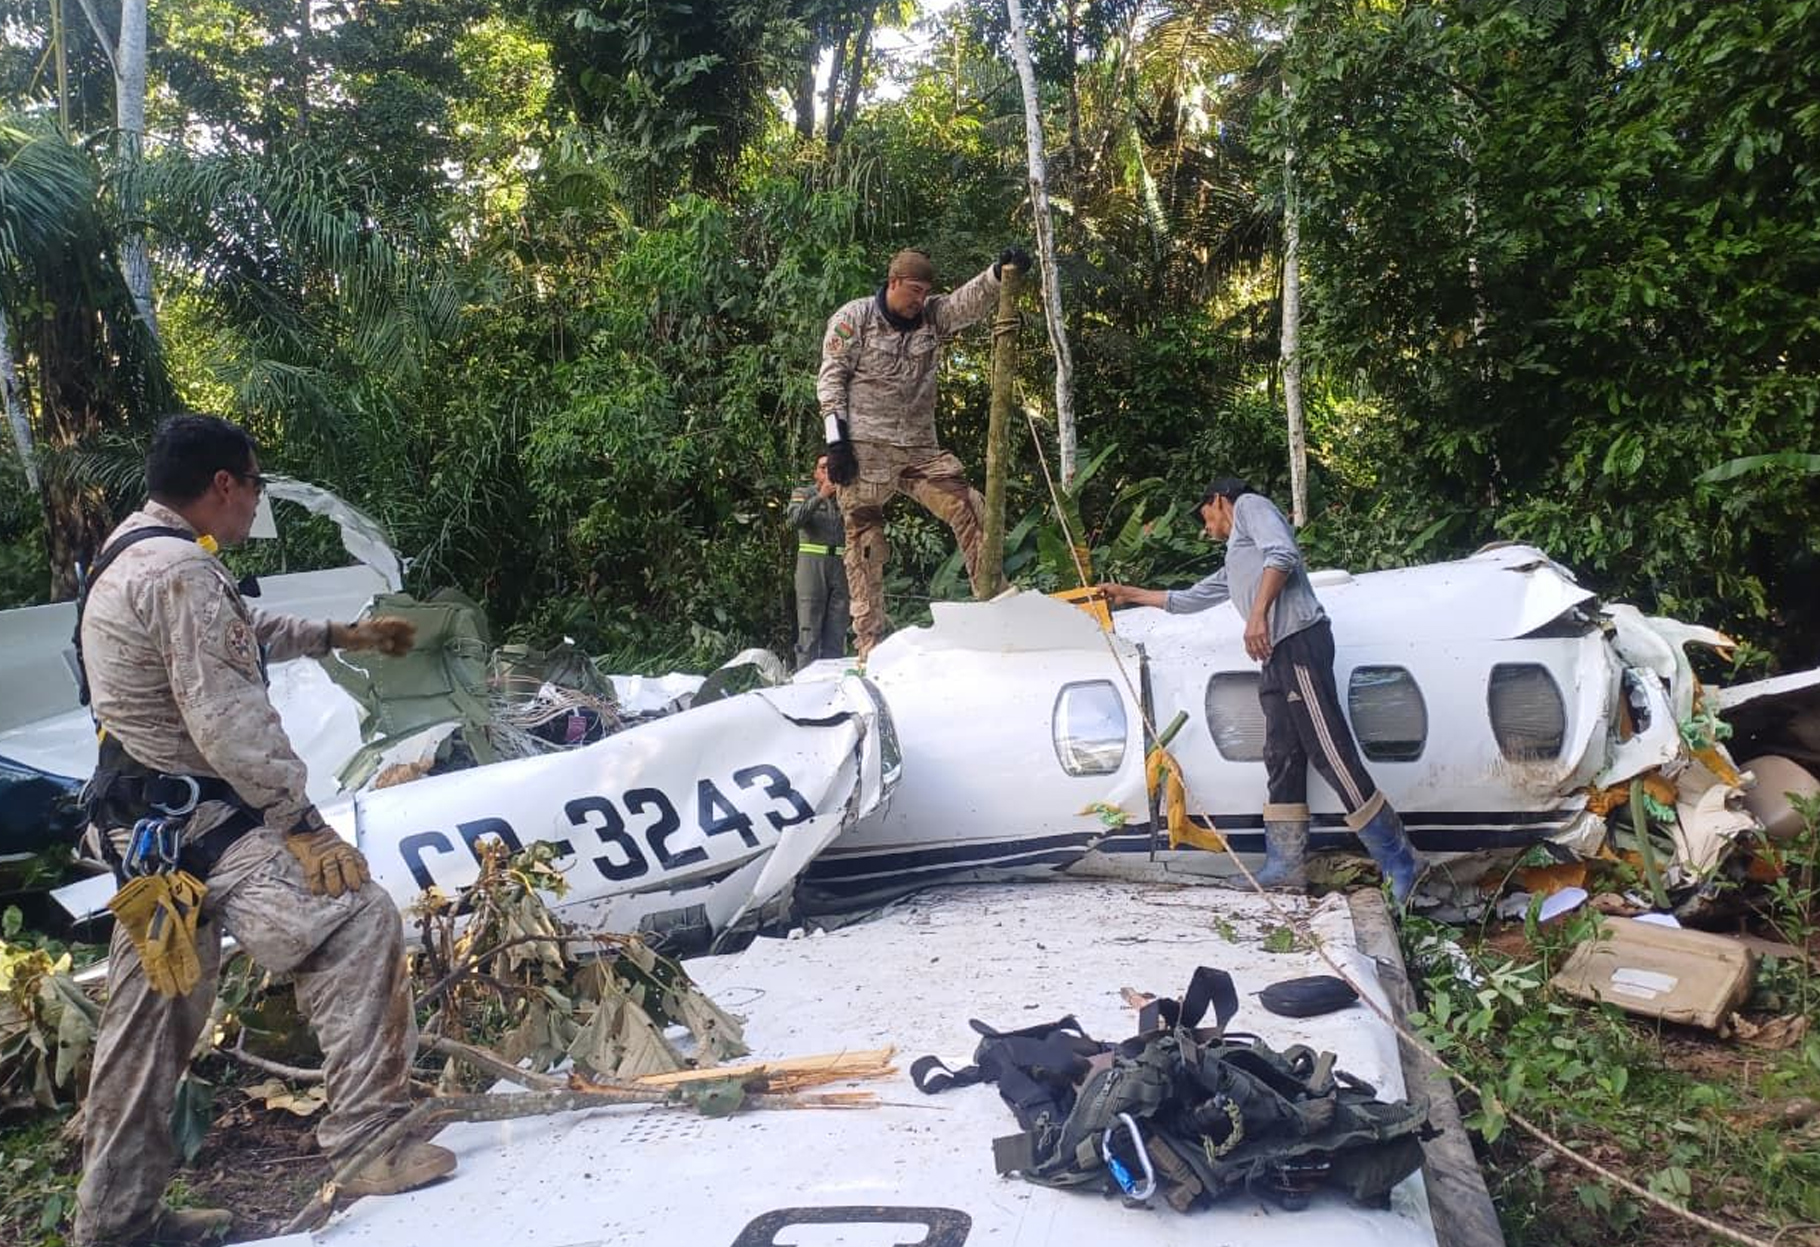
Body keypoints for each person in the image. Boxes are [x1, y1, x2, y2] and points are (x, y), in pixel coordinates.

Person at [72, 414, 454, 1247]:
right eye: (255, 485)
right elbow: (228, 719)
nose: (255, 501)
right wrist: (304, 824)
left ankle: (115, 1222)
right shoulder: (180, 574)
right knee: (357, 920)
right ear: (223, 485)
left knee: (149, 1020)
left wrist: (339, 635)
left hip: (147, 833)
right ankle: (366, 1141)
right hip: (205, 824)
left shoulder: (130, 551)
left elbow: (234, 634)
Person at [1099, 478, 1424, 904]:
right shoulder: (1237, 560)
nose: (1207, 527)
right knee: (1281, 755)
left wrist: (1257, 617)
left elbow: (1283, 554)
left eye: (1207, 516)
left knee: (1329, 751)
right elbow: (1191, 598)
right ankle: (1285, 866)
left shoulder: (1251, 507)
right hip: (1275, 656)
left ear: (1219, 500)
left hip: (1297, 641)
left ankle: (1401, 860)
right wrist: (1128, 594)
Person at [817, 245, 1030, 659]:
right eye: (913, 290)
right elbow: (830, 380)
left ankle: (993, 603)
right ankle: (870, 645)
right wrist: (836, 441)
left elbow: (963, 304)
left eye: (924, 291)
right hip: (865, 451)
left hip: (919, 449)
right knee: (865, 544)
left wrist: (996, 276)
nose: (918, 299)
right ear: (893, 282)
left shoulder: (931, 316)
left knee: (969, 506)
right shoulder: (854, 319)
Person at [787, 454, 851, 668]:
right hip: (812, 566)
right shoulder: (804, 493)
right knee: (809, 629)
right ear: (816, 472)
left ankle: (832, 685)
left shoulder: (847, 497)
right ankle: (805, 682)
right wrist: (821, 496)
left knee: (837, 628)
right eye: (823, 467)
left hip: (841, 566)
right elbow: (794, 520)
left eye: (832, 467)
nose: (827, 472)